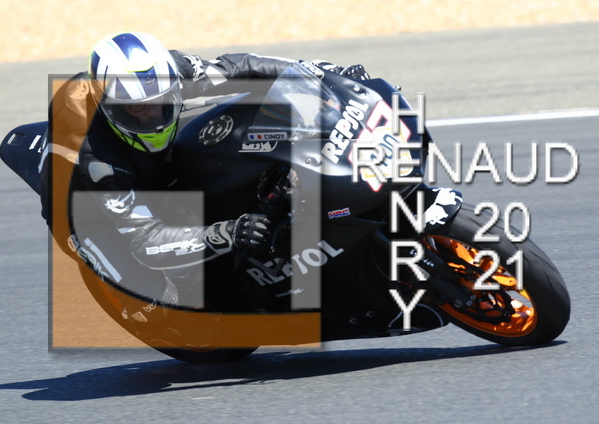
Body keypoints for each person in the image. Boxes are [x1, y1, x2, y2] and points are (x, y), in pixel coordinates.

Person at [40, 32, 370, 329]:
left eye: (160, 103)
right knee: (154, 306)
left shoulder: (168, 71)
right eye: (137, 110)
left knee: (235, 128)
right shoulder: (97, 159)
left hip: (149, 158)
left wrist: (321, 73)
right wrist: (228, 232)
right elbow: (146, 241)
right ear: (110, 107)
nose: (153, 115)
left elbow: (241, 68)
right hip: (86, 209)